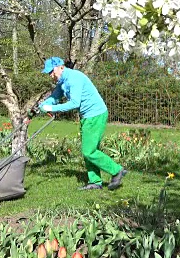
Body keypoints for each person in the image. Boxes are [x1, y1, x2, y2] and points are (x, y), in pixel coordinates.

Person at [38, 56, 128, 190]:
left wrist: (51, 108)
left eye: (51, 72)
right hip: (87, 116)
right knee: (89, 148)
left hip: (95, 114)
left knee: (89, 151)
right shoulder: (62, 81)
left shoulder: (74, 78)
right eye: (49, 73)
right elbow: (55, 97)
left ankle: (116, 170)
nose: (51, 75)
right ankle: (95, 182)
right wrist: (42, 105)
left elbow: (75, 103)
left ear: (60, 67)